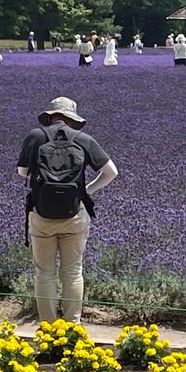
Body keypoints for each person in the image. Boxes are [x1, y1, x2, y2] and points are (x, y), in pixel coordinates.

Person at [17, 97, 118, 324]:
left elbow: (22, 172)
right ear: (72, 118)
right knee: (72, 272)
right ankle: (72, 326)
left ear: (50, 116)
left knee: (44, 273)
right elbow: (111, 172)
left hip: (41, 214)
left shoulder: (35, 137)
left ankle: (48, 327)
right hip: (74, 216)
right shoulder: (83, 139)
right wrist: (87, 190)